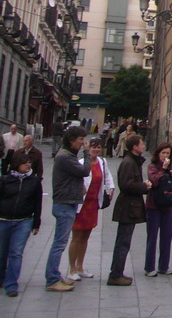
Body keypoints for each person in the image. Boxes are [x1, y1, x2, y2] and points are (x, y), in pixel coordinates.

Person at [46, 125, 92, 292]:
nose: (83, 143)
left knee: (60, 242)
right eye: (80, 140)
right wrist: (87, 153)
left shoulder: (67, 156)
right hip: (64, 204)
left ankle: (55, 276)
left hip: (67, 202)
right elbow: (85, 171)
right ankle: (52, 279)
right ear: (72, 140)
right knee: (59, 243)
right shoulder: (65, 157)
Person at [67, 137, 113, 281]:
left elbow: (108, 178)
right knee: (76, 237)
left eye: (98, 147)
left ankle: (80, 266)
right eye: (93, 147)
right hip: (81, 206)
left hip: (93, 205)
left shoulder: (102, 162)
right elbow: (74, 181)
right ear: (88, 148)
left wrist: (111, 189)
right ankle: (71, 268)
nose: (96, 150)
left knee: (86, 236)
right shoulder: (81, 163)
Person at [108, 134, 151, 286]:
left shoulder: (133, 162)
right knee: (123, 242)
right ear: (135, 147)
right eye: (141, 144)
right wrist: (144, 186)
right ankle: (115, 274)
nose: (144, 146)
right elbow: (125, 185)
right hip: (127, 207)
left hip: (130, 206)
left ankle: (117, 272)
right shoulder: (129, 163)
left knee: (124, 241)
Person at [0, 153, 42, 297]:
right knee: (1, 252)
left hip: (23, 221)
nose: (28, 165)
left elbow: (38, 203)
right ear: (17, 164)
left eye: (29, 162)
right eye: (25, 163)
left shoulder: (34, 181)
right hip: (3, 220)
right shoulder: (5, 180)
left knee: (16, 252)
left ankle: (11, 284)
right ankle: (1, 278)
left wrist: (36, 222)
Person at [143, 142, 172, 277]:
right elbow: (154, 181)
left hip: (167, 206)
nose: (165, 156)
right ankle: (149, 267)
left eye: (168, 153)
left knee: (167, 236)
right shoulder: (152, 167)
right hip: (154, 206)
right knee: (152, 236)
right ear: (158, 154)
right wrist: (163, 170)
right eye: (163, 153)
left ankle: (164, 266)